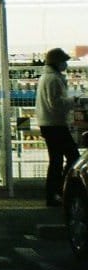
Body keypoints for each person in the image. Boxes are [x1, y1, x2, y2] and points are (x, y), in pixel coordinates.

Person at [36, 47, 80, 206]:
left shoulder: (46, 77)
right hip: (55, 124)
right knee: (73, 157)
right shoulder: (53, 79)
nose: (65, 64)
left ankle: (54, 193)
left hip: (49, 124)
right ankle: (61, 189)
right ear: (57, 62)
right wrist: (73, 100)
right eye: (64, 61)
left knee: (56, 160)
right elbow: (55, 104)